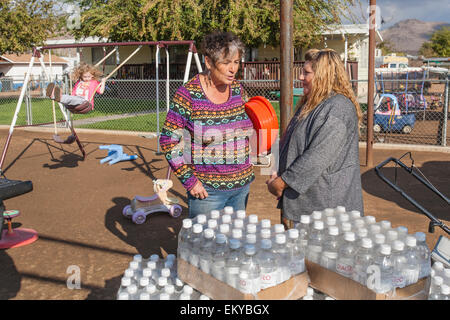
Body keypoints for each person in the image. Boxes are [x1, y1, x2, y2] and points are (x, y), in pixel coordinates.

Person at [159, 31, 255, 218]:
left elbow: (249, 125)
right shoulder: (188, 94)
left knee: (234, 243)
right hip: (208, 192)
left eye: (236, 62)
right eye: (226, 62)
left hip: (242, 186)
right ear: (209, 62)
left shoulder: (237, 89)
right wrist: (189, 181)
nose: (233, 69)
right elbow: (168, 141)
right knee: (203, 244)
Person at [266, 48, 364, 229]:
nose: (301, 77)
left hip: (328, 211)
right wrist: (278, 172)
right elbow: (294, 143)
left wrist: (282, 183)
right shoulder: (313, 104)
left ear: (323, 76)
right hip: (312, 207)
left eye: (306, 73)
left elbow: (316, 157)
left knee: (320, 256)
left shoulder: (338, 108)